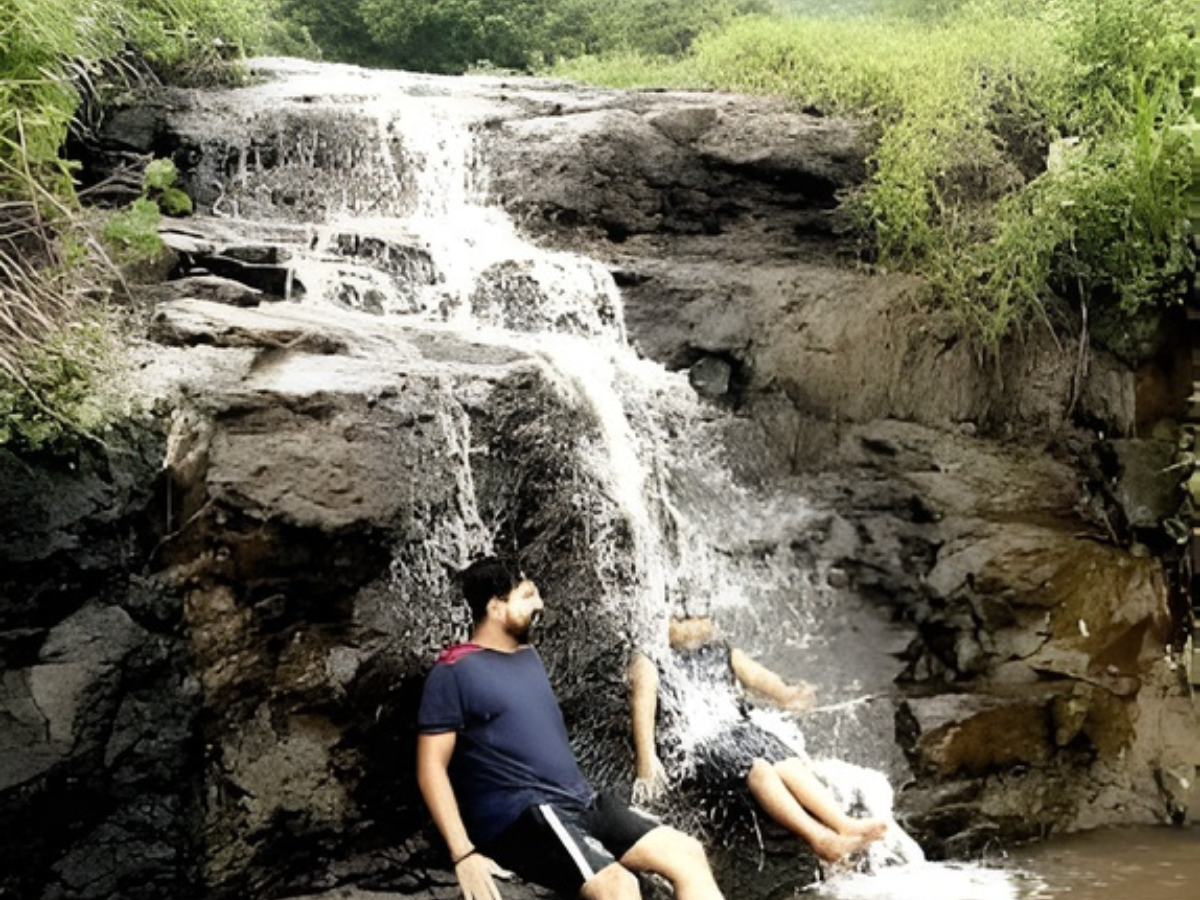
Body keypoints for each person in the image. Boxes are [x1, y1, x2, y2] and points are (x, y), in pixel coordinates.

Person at [417, 557, 727, 900]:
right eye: (528, 596)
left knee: (687, 852)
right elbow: (431, 766)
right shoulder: (453, 671)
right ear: (495, 606)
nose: (540, 604)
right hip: (527, 812)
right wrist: (463, 854)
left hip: (582, 800)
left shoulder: (527, 655)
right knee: (619, 887)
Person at [627, 615, 887, 865]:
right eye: (682, 620)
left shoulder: (721, 650)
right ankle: (819, 838)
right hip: (697, 744)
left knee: (786, 761)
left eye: (700, 617)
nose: (695, 626)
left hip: (738, 729)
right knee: (759, 769)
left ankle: (843, 823)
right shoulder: (650, 661)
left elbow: (758, 677)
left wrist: (787, 694)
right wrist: (647, 762)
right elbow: (643, 706)